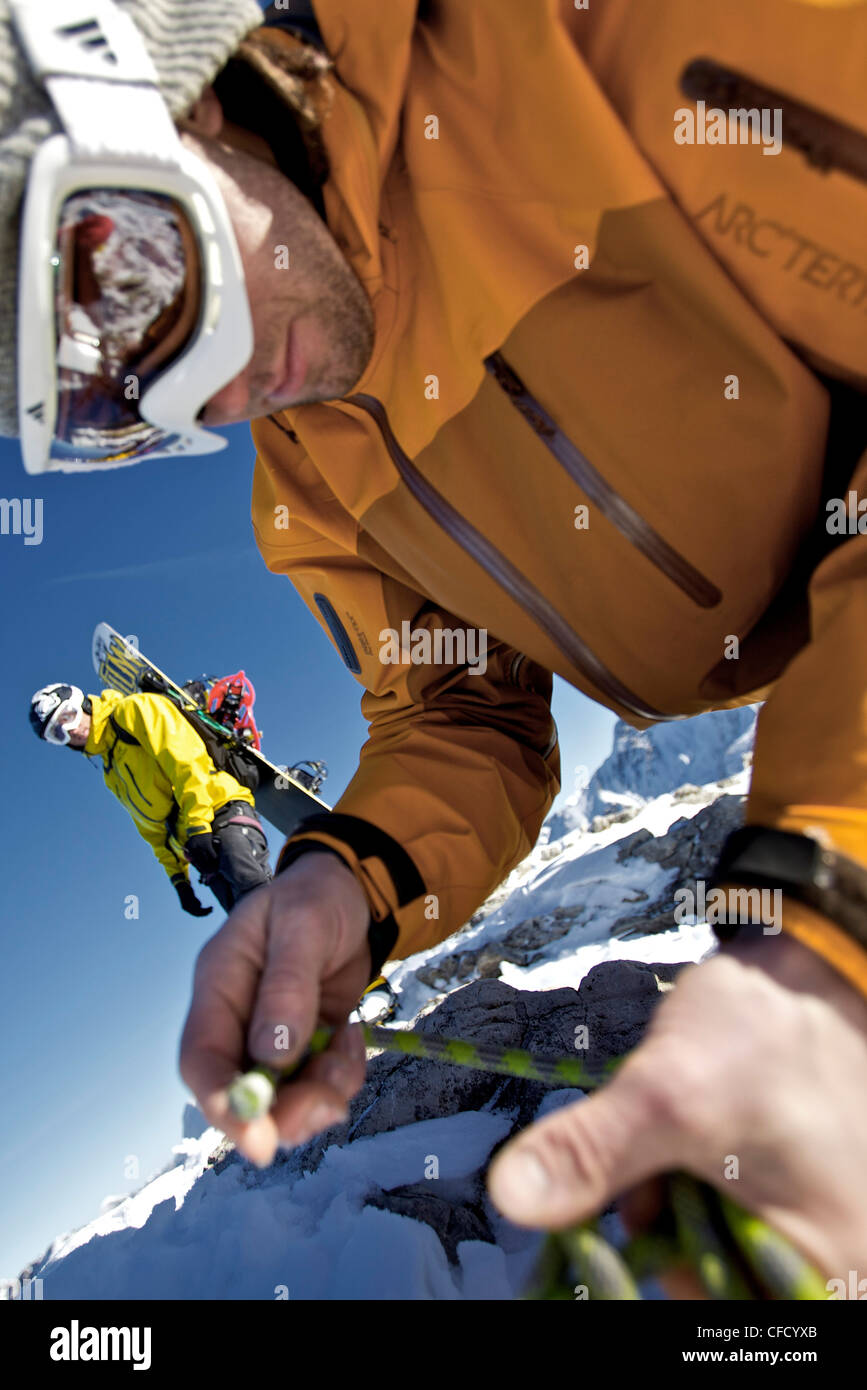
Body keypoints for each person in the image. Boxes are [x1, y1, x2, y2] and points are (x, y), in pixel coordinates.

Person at [4, 0, 867, 1284]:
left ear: (185, 89)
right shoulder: (306, 480)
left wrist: (827, 909)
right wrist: (344, 883)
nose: (209, 389)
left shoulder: (599, 46)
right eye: (106, 397)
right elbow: (463, 714)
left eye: (136, 276)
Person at [29, 683, 273, 914]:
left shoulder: (133, 710)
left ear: (82, 703)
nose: (69, 730)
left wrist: (198, 825)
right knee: (245, 923)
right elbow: (152, 830)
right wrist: (180, 881)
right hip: (197, 846)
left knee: (255, 896)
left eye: (67, 716)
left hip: (219, 809)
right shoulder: (111, 772)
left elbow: (187, 761)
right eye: (57, 733)